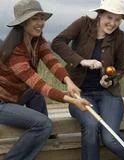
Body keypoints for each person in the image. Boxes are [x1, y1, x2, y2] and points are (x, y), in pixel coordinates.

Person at [51, 0, 124, 159]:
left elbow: (120, 69)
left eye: (117, 20)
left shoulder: (120, 37)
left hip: (108, 95)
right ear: (100, 14)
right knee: (91, 126)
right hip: (79, 94)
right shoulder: (83, 24)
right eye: (109, 17)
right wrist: (81, 61)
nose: (112, 23)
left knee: (110, 138)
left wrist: (110, 80)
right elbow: (57, 42)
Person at [0, 0, 90, 159]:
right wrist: (71, 100)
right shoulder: (15, 52)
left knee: (34, 94)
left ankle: (45, 137)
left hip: (16, 97)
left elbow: (52, 62)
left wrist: (69, 82)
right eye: (35, 18)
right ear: (22, 23)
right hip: (2, 103)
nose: (40, 23)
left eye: (41, 18)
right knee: (43, 124)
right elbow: (40, 85)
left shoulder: (37, 41)